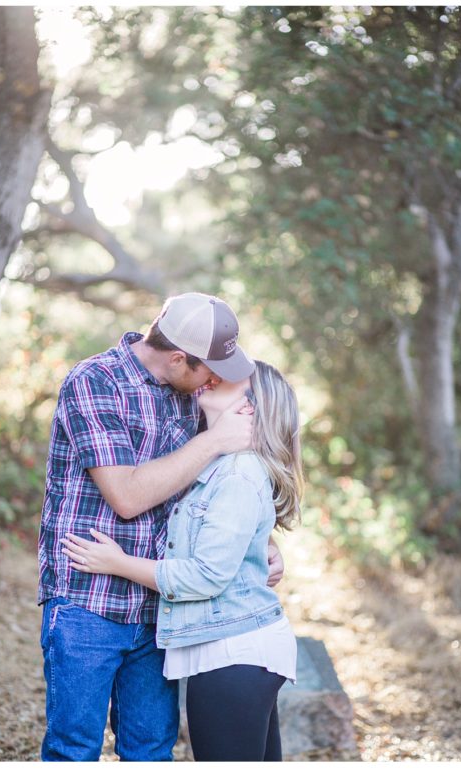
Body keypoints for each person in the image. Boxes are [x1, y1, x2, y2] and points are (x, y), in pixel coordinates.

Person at [37, 292, 283, 761]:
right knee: (74, 749)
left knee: (151, 751)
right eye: (209, 368)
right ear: (176, 357)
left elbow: (207, 491)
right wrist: (212, 442)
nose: (215, 379)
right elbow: (126, 497)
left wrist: (260, 539)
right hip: (88, 600)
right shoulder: (94, 382)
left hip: (162, 607)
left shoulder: (191, 392)